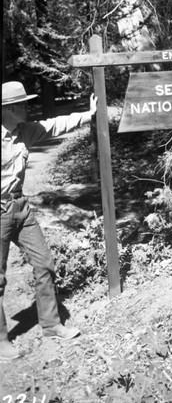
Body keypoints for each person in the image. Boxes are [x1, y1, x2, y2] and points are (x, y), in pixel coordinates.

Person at [1, 81, 98, 361]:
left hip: (21, 208)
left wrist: (87, 114)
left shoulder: (25, 131)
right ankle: (1, 339)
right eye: (23, 104)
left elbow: (55, 125)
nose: (28, 107)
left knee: (44, 263)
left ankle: (52, 325)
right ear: (8, 109)